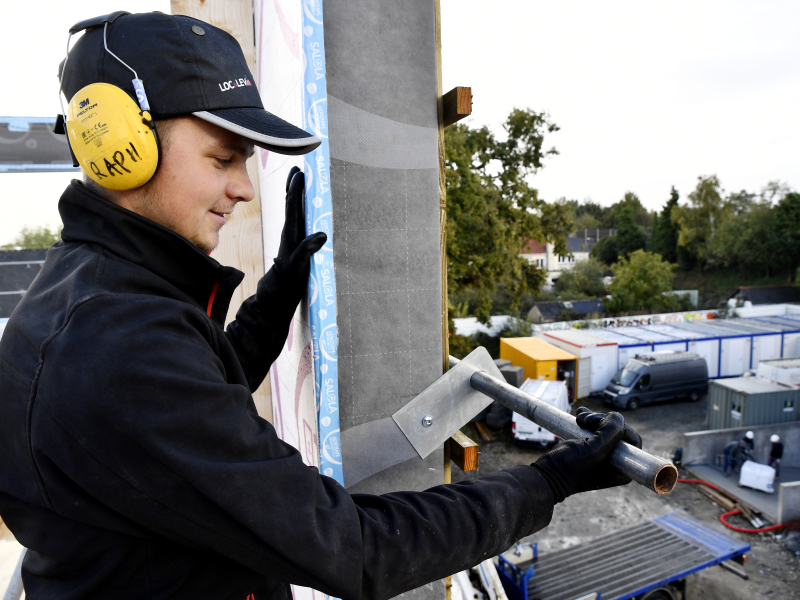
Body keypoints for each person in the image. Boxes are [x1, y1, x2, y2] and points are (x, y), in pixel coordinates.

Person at [0, 12, 641, 600]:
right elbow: (354, 549)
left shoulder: (90, 293)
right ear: (120, 147)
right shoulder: (121, 346)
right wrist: (550, 482)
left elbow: (196, 399)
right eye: (223, 159)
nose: (243, 189)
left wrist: (280, 288)